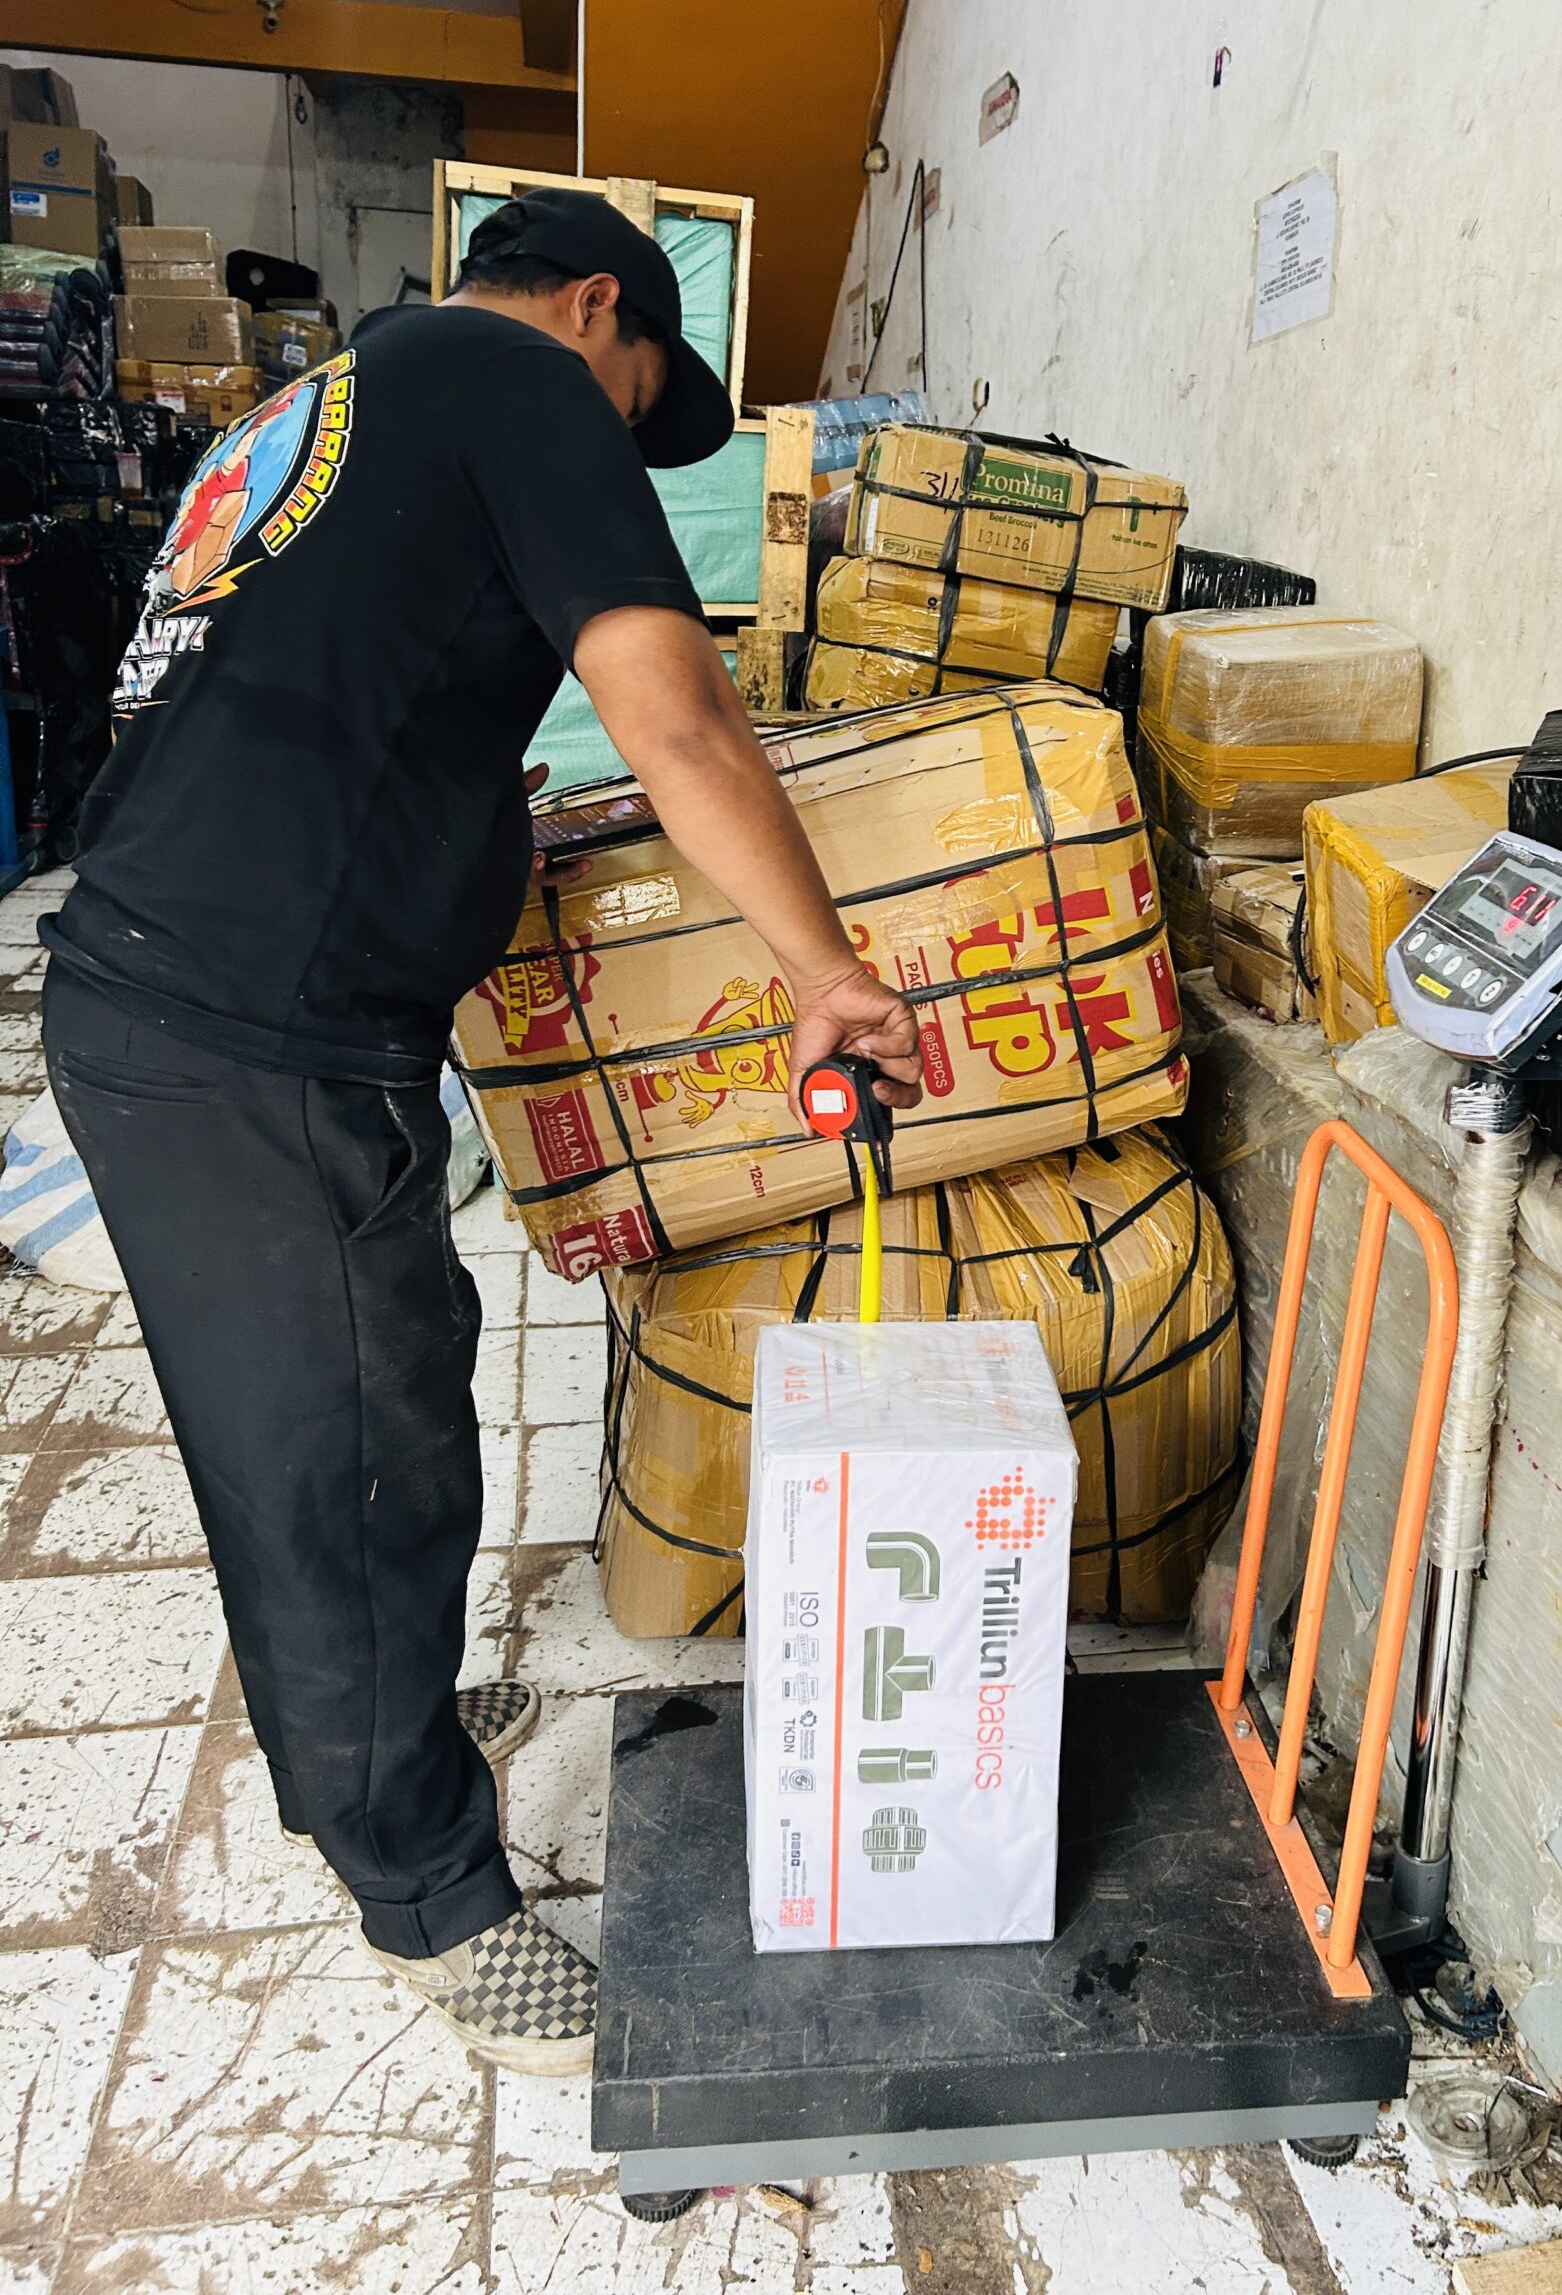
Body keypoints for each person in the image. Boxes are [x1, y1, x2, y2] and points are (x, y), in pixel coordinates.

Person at [40, 191, 923, 2079]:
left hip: (185, 981)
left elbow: (311, 682)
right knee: (346, 1463)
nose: (618, 432)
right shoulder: (521, 384)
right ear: (597, 307)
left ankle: (404, 1753)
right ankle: (428, 1897)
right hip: (245, 1034)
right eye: (636, 395)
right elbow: (675, 719)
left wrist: (452, 785)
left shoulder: (346, 397)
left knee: (389, 1392)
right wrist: (824, 971)